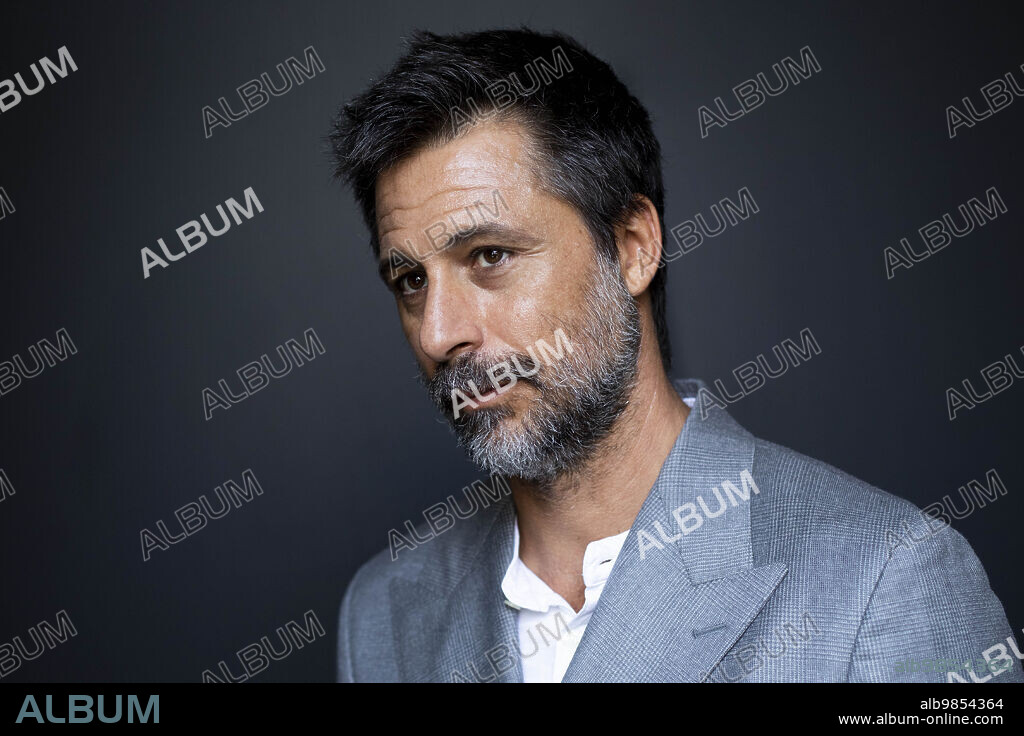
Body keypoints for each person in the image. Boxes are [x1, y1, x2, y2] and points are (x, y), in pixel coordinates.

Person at [328, 28, 1021, 682]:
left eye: (490, 256)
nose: (437, 333)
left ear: (633, 247)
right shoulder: (382, 613)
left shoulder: (887, 582)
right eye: (411, 280)